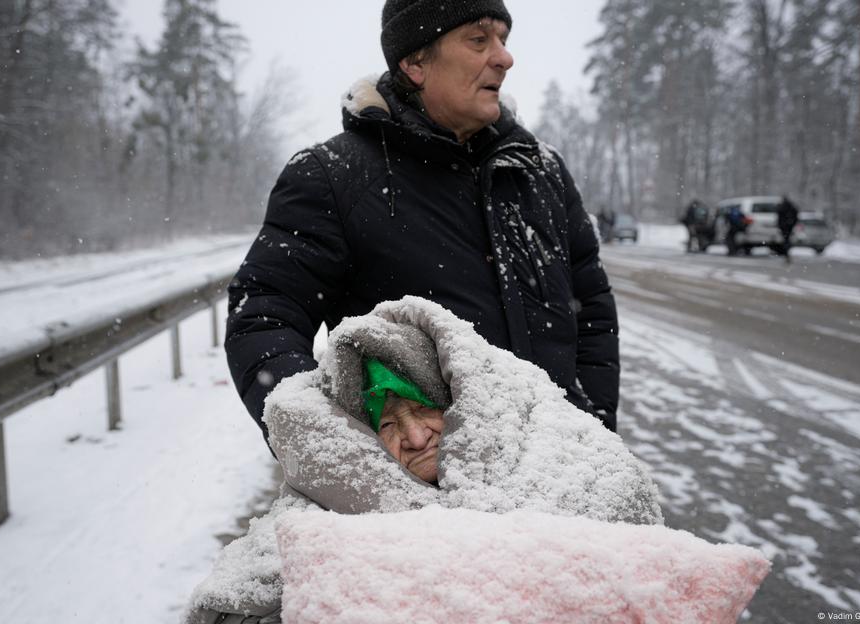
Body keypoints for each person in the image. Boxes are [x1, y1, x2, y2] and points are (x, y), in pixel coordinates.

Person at [225, 0, 621, 440]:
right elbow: (264, 319)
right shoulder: (332, 177)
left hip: (558, 476)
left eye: (504, 40)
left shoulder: (541, 172)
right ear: (415, 62)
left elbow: (593, 315)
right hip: (425, 497)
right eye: (479, 39)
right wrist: (347, 452)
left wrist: (593, 429)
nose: (505, 58)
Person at [185, 297, 663, 624]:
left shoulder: (563, 462)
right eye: (388, 424)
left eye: (424, 408)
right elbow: (231, 601)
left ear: (459, 400)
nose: (413, 437)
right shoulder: (331, 502)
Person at [776, 195, 799, 264]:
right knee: (787, 240)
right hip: (789, 226)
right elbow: (796, 214)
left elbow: (779, 216)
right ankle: (787, 252)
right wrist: (793, 223)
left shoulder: (782, 207)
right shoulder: (791, 207)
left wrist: (780, 225)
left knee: (785, 240)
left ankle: (786, 253)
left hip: (784, 226)